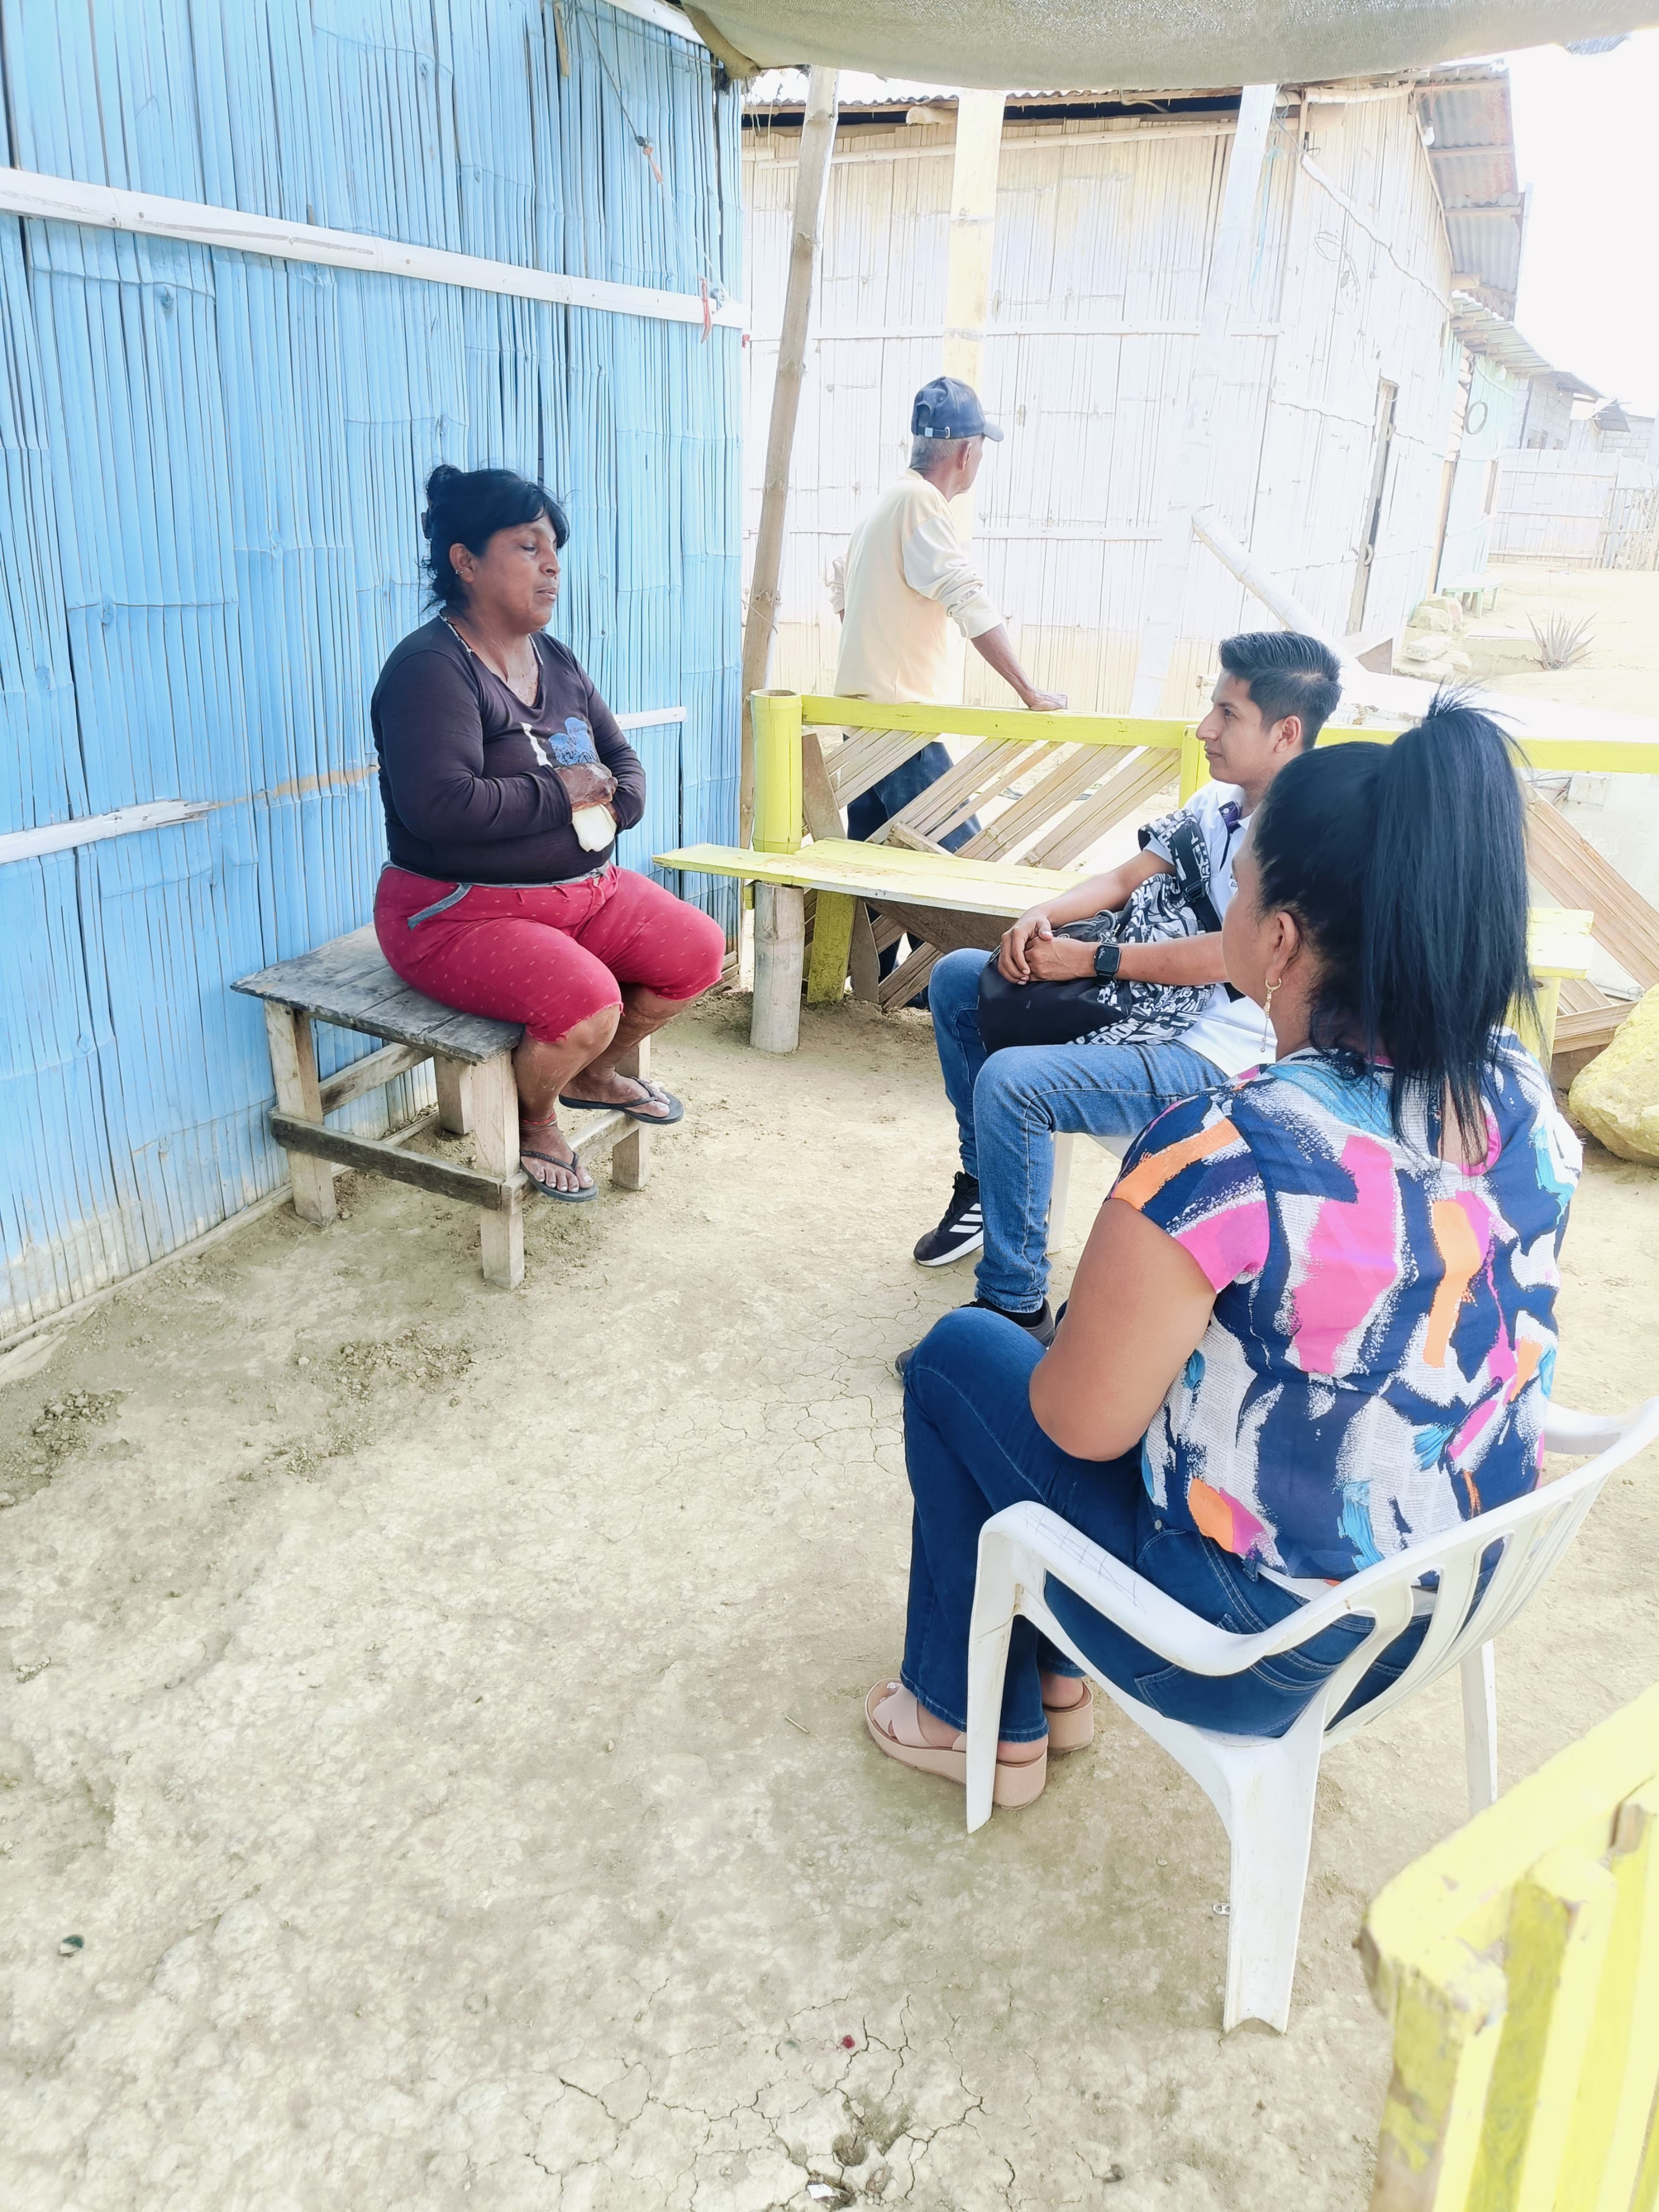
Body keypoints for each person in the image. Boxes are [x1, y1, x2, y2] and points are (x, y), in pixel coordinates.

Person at [866, 696, 1582, 1809]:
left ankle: (969, 1719)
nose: (1228, 905)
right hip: (1448, 1594)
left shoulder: (1226, 1150)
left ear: (1280, 938)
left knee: (964, 1358)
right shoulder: (1518, 1087)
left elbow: (1078, 1427)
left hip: (1260, 1650)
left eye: (1241, 888)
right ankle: (1048, 1689)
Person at [908, 632, 1344, 1353]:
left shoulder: (1309, 834)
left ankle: (1013, 1308)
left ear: (1285, 732)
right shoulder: (1219, 802)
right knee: (959, 977)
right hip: (1150, 1013)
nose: (1204, 729)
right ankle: (988, 1186)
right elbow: (1122, 878)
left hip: (1221, 1055)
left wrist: (1089, 959)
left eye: (1228, 714)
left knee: (1013, 1084)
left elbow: (1227, 960)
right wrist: (1043, 916)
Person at [371, 465, 726, 1199]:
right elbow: (441, 806)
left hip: (584, 892)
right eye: (528, 546)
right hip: (457, 913)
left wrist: (615, 803)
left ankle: (592, 1074)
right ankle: (536, 1118)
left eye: (554, 547)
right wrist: (565, 792)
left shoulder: (556, 658)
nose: (552, 565)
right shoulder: (430, 670)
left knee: (698, 949)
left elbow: (623, 765)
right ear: (466, 561)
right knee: (588, 1003)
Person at [832, 378, 1066, 981]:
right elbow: (967, 597)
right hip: (903, 731)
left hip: (864, 727)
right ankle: (977, 988)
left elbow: (841, 593)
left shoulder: (883, 506)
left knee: (878, 868)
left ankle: (881, 989)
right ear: (967, 452)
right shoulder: (920, 506)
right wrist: (1028, 690)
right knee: (961, 867)